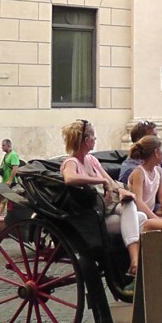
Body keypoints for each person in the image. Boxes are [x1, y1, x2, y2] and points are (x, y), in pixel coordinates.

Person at [60, 120, 147, 280]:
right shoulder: (71, 162)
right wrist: (99, 181)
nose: (95, 139)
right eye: (93, 136)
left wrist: (120, 191)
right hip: (94, 218)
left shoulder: (92, 160)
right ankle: (135, 261)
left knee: (138, 214)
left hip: (108, 208)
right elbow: (70, 178)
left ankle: (134, 262)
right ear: (86, 140)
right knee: (136, 217)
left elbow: (111, 182)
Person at [126, 135, 162, 219]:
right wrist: (156, 219)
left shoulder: (159, 171)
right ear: (156, 152)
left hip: (151, 212)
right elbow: (139, 202)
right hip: (139, 216)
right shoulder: (139, 173)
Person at [0, 139, 20, 217]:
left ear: (8, 145)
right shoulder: (6, 155)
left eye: (3, 145)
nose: (1, 147)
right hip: (4, 180)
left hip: (11, 181)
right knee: (2, 198)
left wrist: (10, 180)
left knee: (7, 199)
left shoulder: (13, 155)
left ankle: (0, 214)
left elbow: (15, 168)